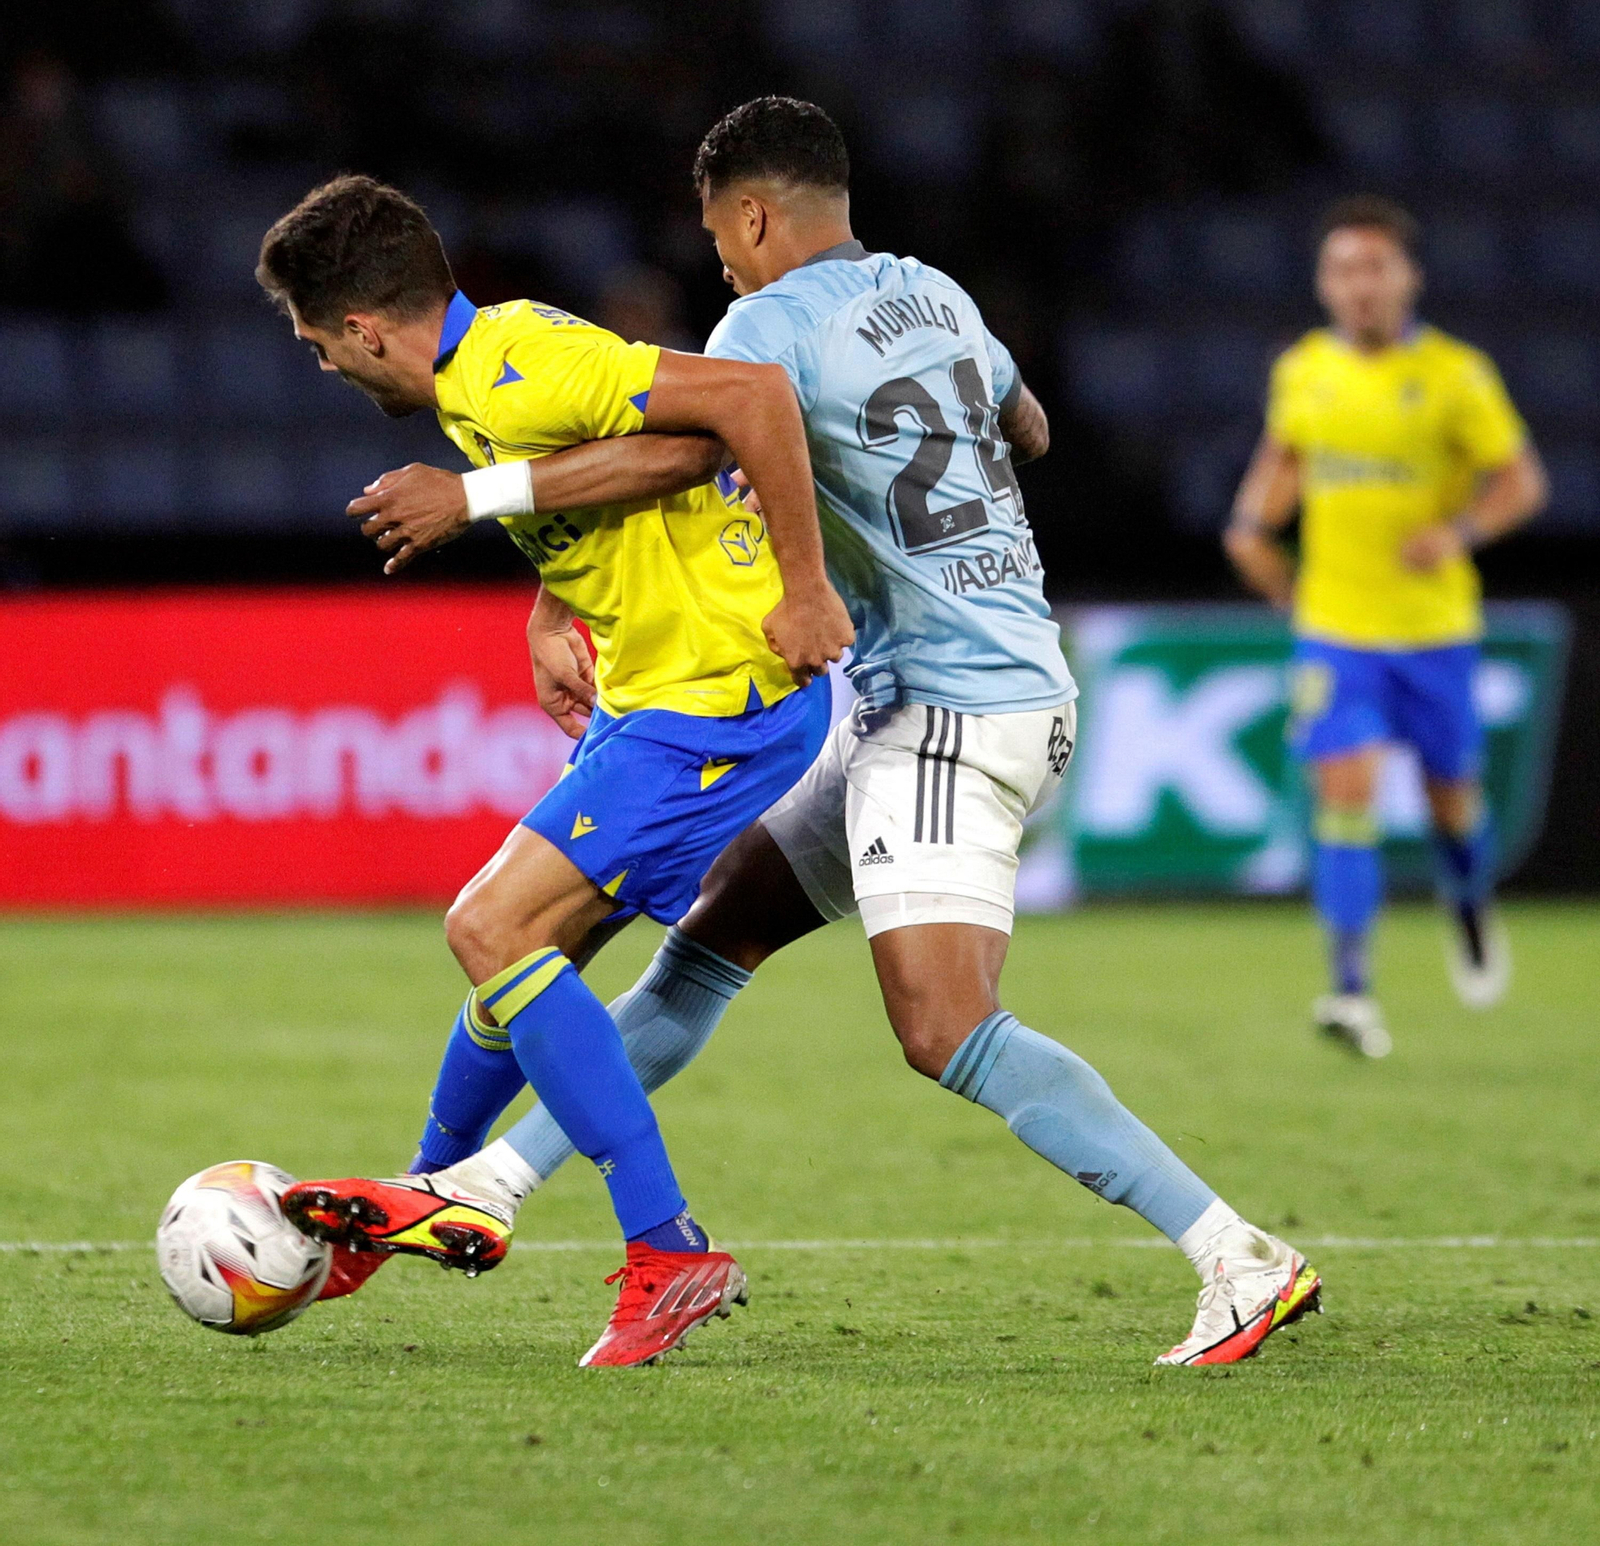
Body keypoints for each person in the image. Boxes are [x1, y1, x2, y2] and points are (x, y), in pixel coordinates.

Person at [350, 100, 1322, 1368]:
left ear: (751, 214)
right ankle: (492, 1183)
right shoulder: (936, 292)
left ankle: (1234, 1255)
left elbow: (683, 456)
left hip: (951, 705)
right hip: (973, 677)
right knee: (707, 944)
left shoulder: (763, 326)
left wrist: (802, 566)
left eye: (718, 240)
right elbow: (1027, 429)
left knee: (945, 1028)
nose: (722, 265)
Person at [254, 174, 853, 1367]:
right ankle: (423, 1191)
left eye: (323, 347)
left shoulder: (519, 359)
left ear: (365, 329)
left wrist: (806, 585)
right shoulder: (488, 384)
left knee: (488, 925)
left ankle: (669, 1250)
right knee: (525, 961)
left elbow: (745, 404)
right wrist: (549, 598)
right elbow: (621, 471)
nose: (327, 368)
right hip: (659, 697)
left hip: (719, 697)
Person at [1225, 196, 1547, 1058]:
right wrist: (1254, 529)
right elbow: (1282, 467)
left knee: (1451, 800)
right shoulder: (1303, 371)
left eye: (1374, 267)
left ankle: (1470, 899)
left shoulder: (1456, 375)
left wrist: (1460, 532)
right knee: (1346, 795)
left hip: (1436, 628)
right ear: (1325, 284)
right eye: (1341, 270)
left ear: (1408, 276)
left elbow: (1520, 482)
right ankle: (1351, 987)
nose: (1358, 286)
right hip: (1338, 629)